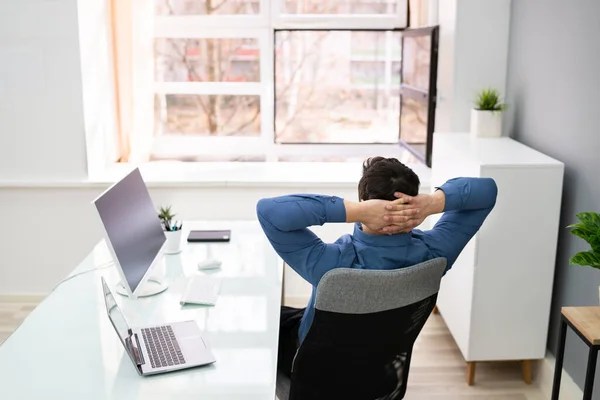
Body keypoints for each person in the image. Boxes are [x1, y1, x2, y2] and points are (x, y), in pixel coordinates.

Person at [256, 157, 498, 378]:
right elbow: (487, 191)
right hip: (378, 371)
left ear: (365, 201)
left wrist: (357, 212)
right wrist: (433, 203)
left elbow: (269, 211)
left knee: (261, 321)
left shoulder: (333, 267)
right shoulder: (437, 253)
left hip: (315, 372)